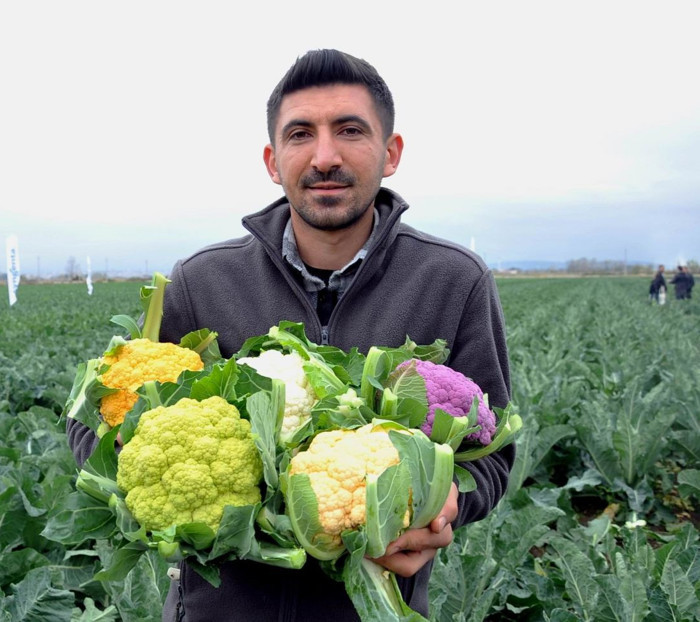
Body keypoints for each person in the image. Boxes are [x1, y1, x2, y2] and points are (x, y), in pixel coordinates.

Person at [67, 48, 514, 621]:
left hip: (371, 605)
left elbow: (493, 448)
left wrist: (445, 501)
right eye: (301, 134)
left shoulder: (453, 282)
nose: (324, 156)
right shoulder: (200, 281)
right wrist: (140, 456)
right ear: (273, 160)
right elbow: (92, 419)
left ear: (391, 152)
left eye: (350, 130)